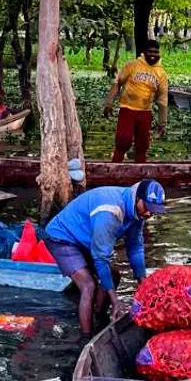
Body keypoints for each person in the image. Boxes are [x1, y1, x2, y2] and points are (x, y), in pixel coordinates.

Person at [44, 179, 167, 335]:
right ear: (138, 198)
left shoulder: (138, 213)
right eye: (148, 208)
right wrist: (116, 301)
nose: (149, 213)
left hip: (86, 239)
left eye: (154, 210)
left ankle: (98, 317)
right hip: (62, 237)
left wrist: (144, 284)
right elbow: (100, 258)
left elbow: (135, 247)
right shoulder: (111, 211)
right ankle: (86, 337)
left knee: (114, 275)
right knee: (88, 285)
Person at [102, 39, 168, 163]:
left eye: (156, 52)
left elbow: (162, 100)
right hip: (127, 109)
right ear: (144, 52)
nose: (153, 55)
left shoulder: (161, 74)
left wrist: (162, 123)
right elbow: (117, 83)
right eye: (150, 52)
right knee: (123, 141)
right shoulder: (132, 65)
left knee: (142, 145)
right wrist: (109, 103)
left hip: (145, 112)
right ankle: (114, 168)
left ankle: (140, 172)